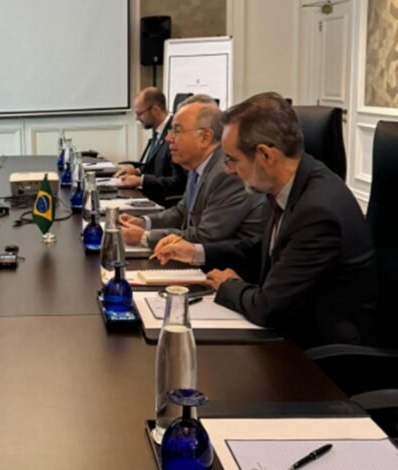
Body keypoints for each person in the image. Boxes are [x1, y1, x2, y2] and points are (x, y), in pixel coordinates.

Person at [155, 92, 379, 348]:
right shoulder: (289, 185)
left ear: (265, 155)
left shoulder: (317, 212)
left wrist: (229, 286)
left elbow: (267, 307)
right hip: (290, 328)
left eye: (232, 159)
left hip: (315, 352)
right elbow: (259, 247)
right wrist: (196, 252)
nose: (227, 169)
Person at [119, 95, 266, 257]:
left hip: (227, 264)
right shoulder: (197, 166)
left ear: (205, 138)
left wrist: (145, 237)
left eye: (177, 131)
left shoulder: (228, 172)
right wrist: (144, 222)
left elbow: (206, 236)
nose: (168, 138)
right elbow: (181, 212)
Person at [114, 87, 186, 208]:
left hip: (163, 204)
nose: (137, 118)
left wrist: (141, 180)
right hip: (149, 197)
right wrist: (137, 171)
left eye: (139, 114)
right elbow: (158, 165)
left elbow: (178, 182)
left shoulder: (175, 134)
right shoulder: (158, 130)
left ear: (155, 110)